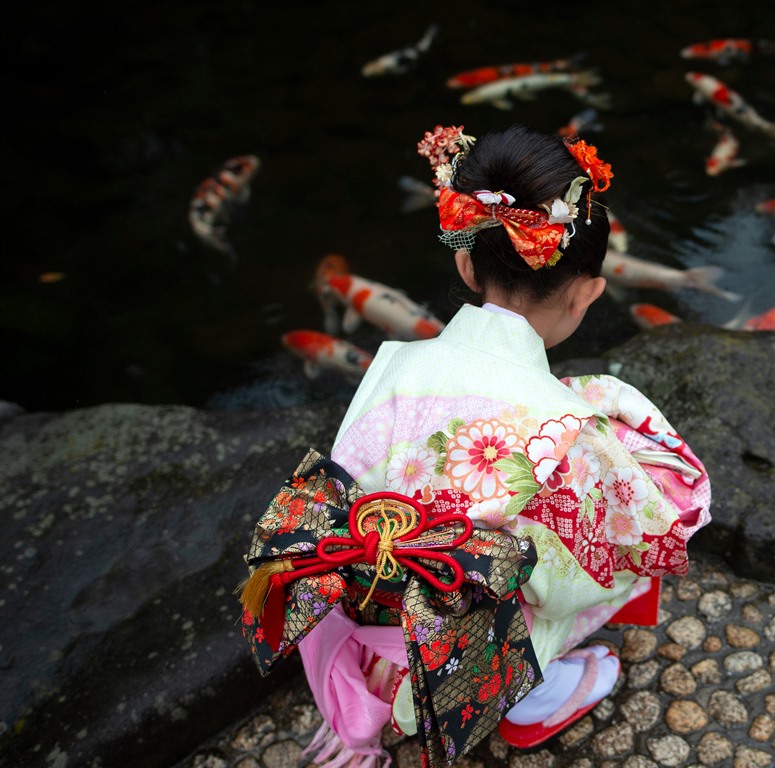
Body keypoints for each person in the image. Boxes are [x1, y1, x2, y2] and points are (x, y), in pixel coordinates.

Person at [237, 124, 711, 767]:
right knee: (608, 552)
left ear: (466, 264)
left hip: (358, 631)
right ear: (588, 292)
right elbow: (584, 578)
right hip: (447, 657)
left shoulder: (393, 364)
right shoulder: (567, 426)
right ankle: (530, 701)